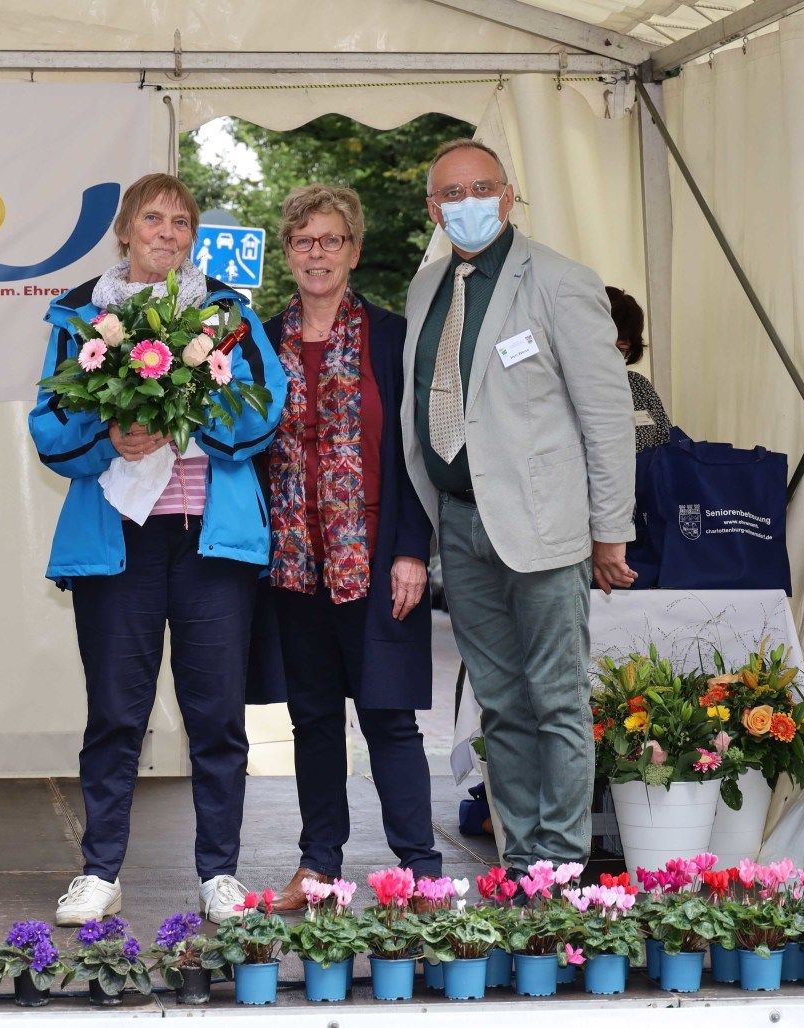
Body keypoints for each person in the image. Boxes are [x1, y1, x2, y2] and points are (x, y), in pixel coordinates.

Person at [28, 173, 287, 925]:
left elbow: (267, 406)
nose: (167, 233)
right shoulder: (81, 317)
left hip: (210, 542)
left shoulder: (228, 315)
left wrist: (189, 420)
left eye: (181, 221)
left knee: (216, 718)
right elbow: (48, 428)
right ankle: (100, 872)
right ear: (124, 230)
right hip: (120, 544)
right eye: (153, 218)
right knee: (115, 714)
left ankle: (220, 874)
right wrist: (109, 433)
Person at [401, 139, 634, 871]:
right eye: (449, 195)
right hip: (461, 524)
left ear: (508, 195)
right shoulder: (426, 285)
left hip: (545, 527)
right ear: (433, 208)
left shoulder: (562, 282)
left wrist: (611, 533)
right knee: (498, 705)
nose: (465, 204)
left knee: (557, 702)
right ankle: (522, 858)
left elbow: (606, 416)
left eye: (480, 189)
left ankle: (562, 867)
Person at [254, 185, 442, 911]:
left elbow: (414, 453)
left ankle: (420, 870)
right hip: (292, 561)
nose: (317, 253)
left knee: (390, 715)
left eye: (331, 240)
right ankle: (317, 866)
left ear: (354, 250)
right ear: (288, 252)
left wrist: (410, 549)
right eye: (304, 240)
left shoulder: (393, 338)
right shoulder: (258, 342)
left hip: (376, 555)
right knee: (313, 718)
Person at [606, 285, 671, 451]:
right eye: (604, 346)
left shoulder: (638, 385)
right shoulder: (566, 388)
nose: (609, 357)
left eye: (620, 349)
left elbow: (666, 441)